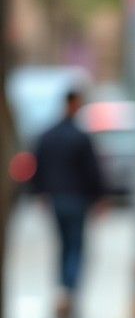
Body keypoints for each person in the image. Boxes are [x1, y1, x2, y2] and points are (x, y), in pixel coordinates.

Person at [32, 88, 106, 295]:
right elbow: (92, 170)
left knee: (64, 245)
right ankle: (69, 288)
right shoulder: (80, 137)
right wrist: (99, 197)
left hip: (56, 197)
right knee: (75, 246)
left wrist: (39, 192)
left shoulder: (47, 135)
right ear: (73, 104)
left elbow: (38, 166)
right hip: (76, 198)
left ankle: (62, 287)